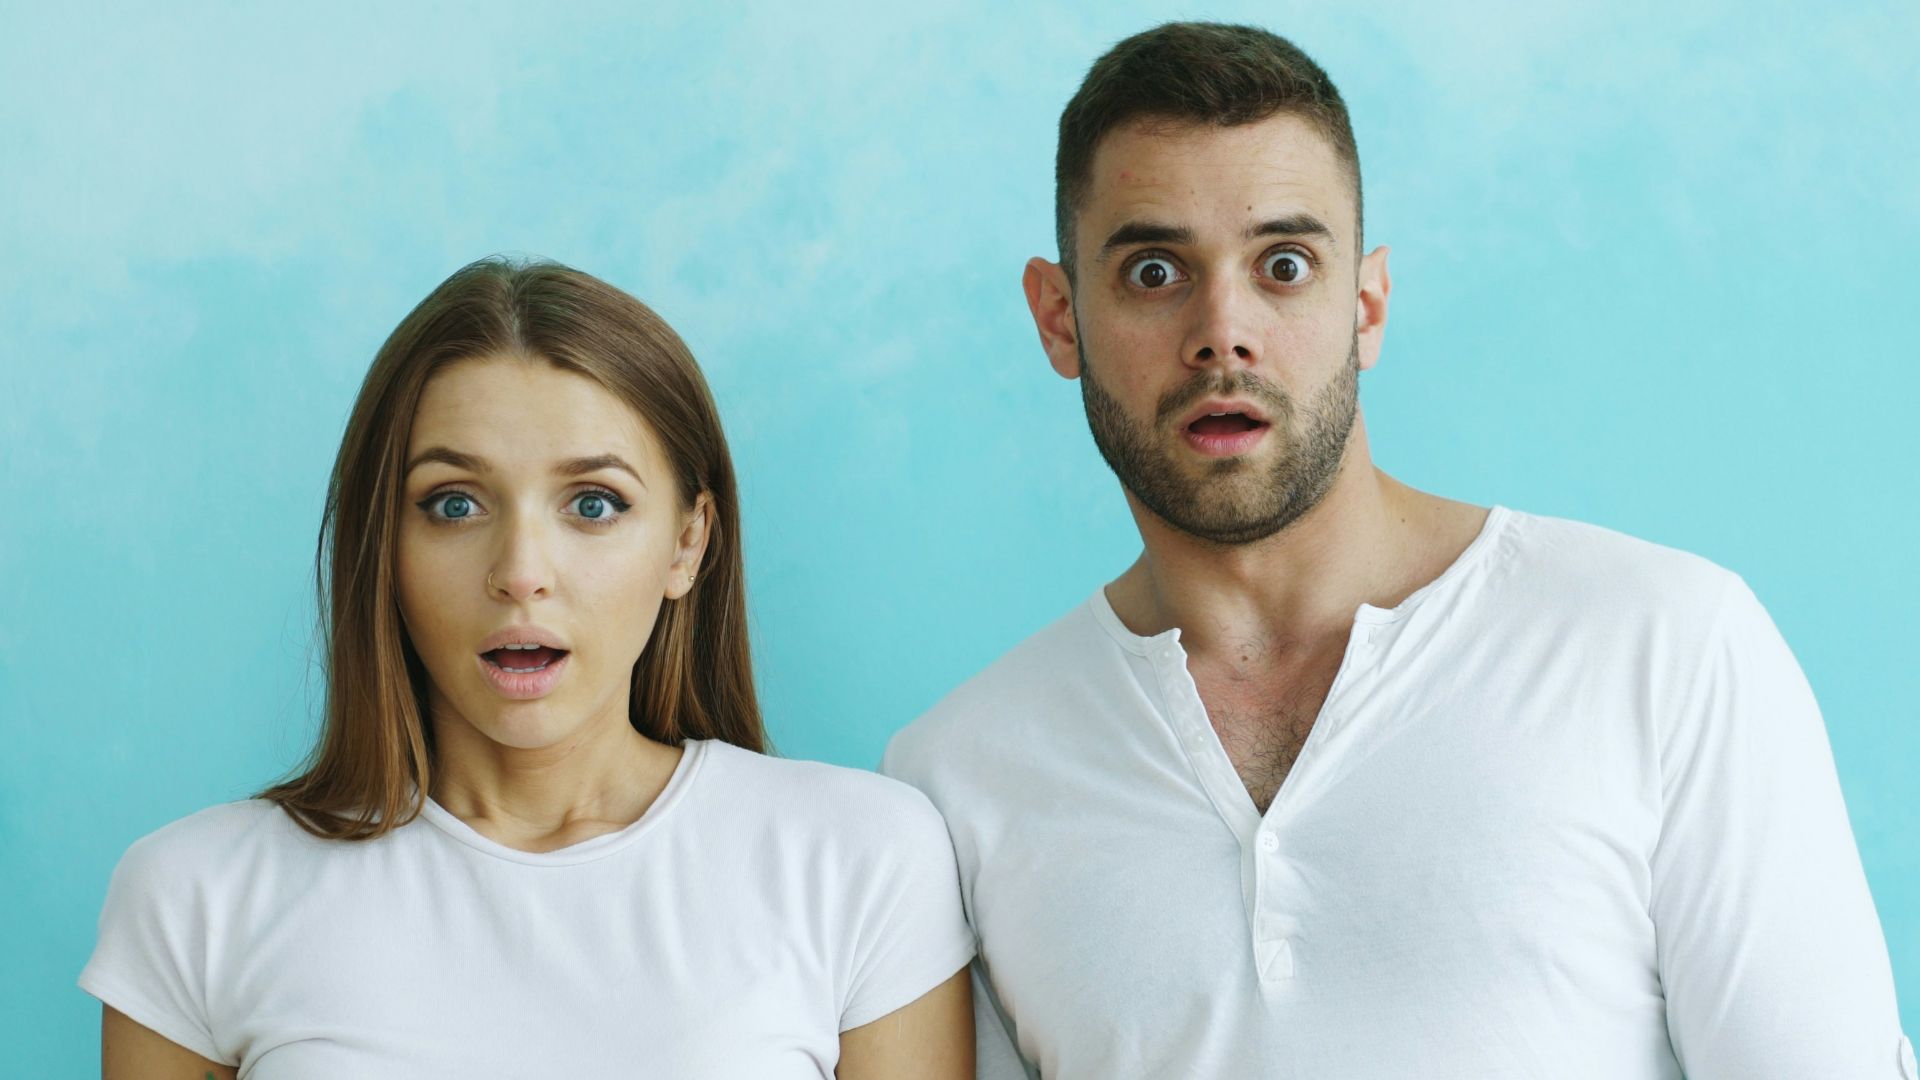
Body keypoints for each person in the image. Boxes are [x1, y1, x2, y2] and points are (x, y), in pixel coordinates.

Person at [881, 21, 1910, 1080]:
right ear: (1059, 320)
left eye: (1284, 264)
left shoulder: (1667, 649)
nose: (1222, 331)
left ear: (1365, 306)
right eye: (1154, 271)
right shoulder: (958, 778)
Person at [82, 257, 975, 1079]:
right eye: (454, 503)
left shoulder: (861, 859)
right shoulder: (196, 896)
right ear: (381, 543)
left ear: (688, 542)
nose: (518, 571)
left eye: (593, 504)